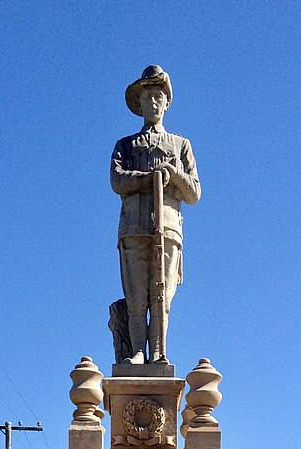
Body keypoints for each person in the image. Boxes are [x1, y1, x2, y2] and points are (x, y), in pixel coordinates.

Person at [111, 65, 200, 364]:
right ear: (139, 104)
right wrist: (147, 178)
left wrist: (173, 174)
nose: (153, 103)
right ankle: (137, 351)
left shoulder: (180, 145)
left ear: (166, 102)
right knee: (137, 298)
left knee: (162, 298)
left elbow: (194, 194)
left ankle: (159, 351)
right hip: (134, 228)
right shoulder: (126, 145)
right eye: (147, 97)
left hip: (169, 227)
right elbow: (117, 180)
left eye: (158, 97)